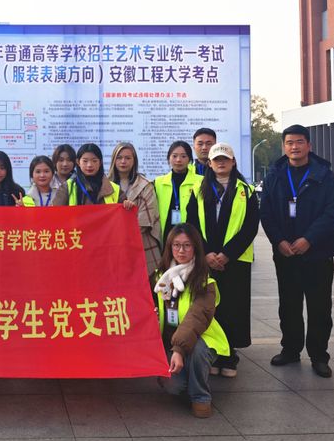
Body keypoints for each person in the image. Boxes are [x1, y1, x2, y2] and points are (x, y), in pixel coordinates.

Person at [260, 124, 334, 378]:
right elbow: (266, 212)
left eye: (299, 142)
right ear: (283, 147)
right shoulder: (275, 175)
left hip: (318, 253)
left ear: (309, 145)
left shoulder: (325, 175)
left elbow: (333, 212)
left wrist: (309, 239)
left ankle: (319, 356)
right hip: (286, 254)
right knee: (289, 305)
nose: (294, 147)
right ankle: (290, 350)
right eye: (289, 143)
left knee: (319, 307)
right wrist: (278, 241)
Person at [186, 143, 258, 378]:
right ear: (209, 163)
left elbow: (250, 227)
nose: (221, 163)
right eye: (216, 159)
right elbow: (192, 224)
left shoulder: (246, 191)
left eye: (225, 159)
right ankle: (211, 355)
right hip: (206, 259)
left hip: (235, 261)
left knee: (233, 308)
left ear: (233, 162)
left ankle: (229, 357)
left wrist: (227, 254)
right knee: (209, 307)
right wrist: (206, 252)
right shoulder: (198, 189)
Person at [153, 224, 230, 418]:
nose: (181, 250)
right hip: (171, 341)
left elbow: (196, 318)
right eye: (176, 245)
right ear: (169, 247)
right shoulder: (161, 278)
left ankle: (200, 397)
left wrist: (178, 350)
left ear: (195, 247)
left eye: (187, 245)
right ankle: (190, 376)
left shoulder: (205, 282)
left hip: (202, 338)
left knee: (197, 352)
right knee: (173, 386)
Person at [108, 142, 162, 278]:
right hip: (111, 245)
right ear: (114, 160)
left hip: (140, 244)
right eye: (119, 157)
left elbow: (145, 220)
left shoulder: (145, 185)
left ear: (134, 161)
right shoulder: (105, 184)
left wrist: (122, 236)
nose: (123, 161)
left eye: (128, 158)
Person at [154, 141, 203, 243]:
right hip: (166, 234)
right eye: (174, 156)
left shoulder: (200, 181)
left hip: (193, 234)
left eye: (183, 156)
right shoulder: (158, 182)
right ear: (169, 158)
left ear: (189, 159)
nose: (178, 160)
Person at [53, 143, 131, 207]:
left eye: (94, 161)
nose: (89, 165)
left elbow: (124, 215)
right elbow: (55, 214)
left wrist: (128, 205)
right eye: (85, 161)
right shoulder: (67, 187)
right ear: (78, 162)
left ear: (100, 162)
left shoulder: (114, 189)